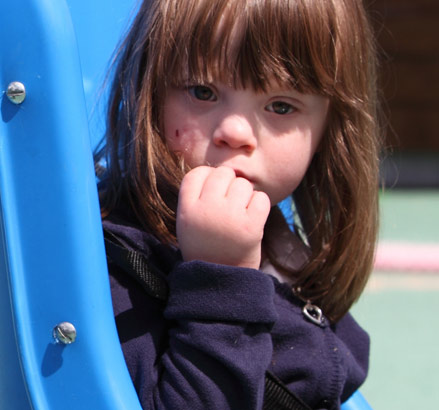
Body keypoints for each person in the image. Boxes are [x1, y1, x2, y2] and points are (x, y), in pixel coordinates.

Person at [95, 0, 381, 408]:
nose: (235, 131)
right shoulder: (120, 266)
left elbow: (335, 368)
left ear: (327, 132)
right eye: (203, 91)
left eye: (281, 106)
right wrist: (219, 282)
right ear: (150, 91)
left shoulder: (279, 241)